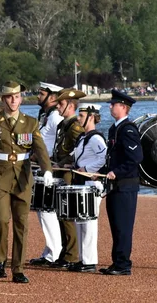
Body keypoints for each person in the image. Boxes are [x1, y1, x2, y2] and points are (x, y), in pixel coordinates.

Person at [0, 81, 52, 284]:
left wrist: (47, 170)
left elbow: (40, 148)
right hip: (0, 176)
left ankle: (17, 268)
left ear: (21, 98)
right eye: (9, 97)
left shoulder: (30, 123)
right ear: (3, 100)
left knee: (21, 224)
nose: (13, 100)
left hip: (22, 177)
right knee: (0, 220)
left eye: (17, 96)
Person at [100, 89, 143, 276]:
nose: (110, 106)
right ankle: (117, 261)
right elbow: (112, 159)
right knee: (116, 226)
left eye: (113, 104)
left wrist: (115, 173)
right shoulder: (115, 129)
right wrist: (100, 173)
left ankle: (123, 264)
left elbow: (136, 158)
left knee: (123, 227)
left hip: (126, 185)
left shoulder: (128, 130)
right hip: (116, 186)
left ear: (123, 107)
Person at [48, 88, 87, 268]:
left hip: (68, 175)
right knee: (60, 215)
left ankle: (71, 255)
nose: (57, 107)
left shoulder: (74, 127)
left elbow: (80, 150)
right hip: (58, 172)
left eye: (61, 104)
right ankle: (65, 251)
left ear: (71, 106)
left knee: (66, 215)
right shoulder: (63, 125)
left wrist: (65, 162)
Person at [69, 101, 107, 273]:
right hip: (80, 183)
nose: (78, 118)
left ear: (91, 117)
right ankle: (83, 259)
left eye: (82, 116)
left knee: (89, 223)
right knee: (80, 221)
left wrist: (87, 169)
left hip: (91, 184)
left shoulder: (96, 138)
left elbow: (104, 158)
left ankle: (90, 261)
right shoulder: (83, 137)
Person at [30, 82, 64, 267]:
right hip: (40, 166)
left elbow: (61, 141)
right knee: (43, 211)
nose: (38, 95)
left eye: (41, 93)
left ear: (52, 97)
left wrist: (47, 157)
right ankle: (50, 250)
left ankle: (54, 253)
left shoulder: (56, 117)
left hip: (49, 168)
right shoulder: (45, 115)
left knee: (47, 211)